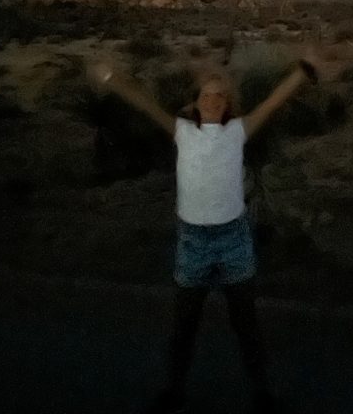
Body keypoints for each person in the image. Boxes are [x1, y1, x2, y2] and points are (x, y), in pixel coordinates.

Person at [87, 51, 320, 414]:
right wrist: (112, 80)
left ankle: (262, 393)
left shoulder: (237, 132)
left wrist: (302, 71)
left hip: (233, 241)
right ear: (195, 105)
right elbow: (145, 104)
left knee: (246, 324)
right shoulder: (182, 132)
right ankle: (173, 390)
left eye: (219, 96)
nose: (212, 100)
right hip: (193, 242)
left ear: (229, 106)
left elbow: (274, 101)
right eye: (206, 95)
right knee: (184, 325)